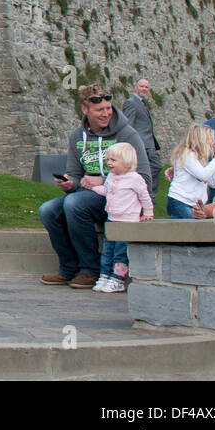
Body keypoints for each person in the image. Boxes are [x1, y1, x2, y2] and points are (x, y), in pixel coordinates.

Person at [38, 84, 149, 288]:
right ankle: (69, 268)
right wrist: (70, 183)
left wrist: (106, 178)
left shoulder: (127, 134)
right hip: (88, 194)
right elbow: (75, 174)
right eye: (100, 110)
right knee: (47, 210)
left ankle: (90, 269)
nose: (105, 114)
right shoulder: (77, 136)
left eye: (108, 108)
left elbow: (143, 176)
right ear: (85, 109)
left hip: (120, 199)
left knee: (73, 204)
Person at [90, 143, 153, 292]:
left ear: (126, 162)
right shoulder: (111, 177)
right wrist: (92, 188)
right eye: (108, 160)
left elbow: (145, 197)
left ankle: (117, 279)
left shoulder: (135, 179)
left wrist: (148, 213)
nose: (109, 163)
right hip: (112, 219)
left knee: (121, 253)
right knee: (107, 250)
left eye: (113, 160)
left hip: (127, 222)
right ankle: (104, 275)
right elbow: (107, 191)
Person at [165, 124, 215, 219]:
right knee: (189, 232)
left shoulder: (201, 159)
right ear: (202, 140)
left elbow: (213, 182)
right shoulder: (186, 154)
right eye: (212, 139)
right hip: (180, 201)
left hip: (194, 204)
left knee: (194, 232)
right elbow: (203, 176)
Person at [120, 78, 162, 197]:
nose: (144, 89)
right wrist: (131, 145)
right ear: (136, 87)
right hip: (141, 144)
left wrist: (155, 145)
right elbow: (128, 125)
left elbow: (147, 126)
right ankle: (146, 194)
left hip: (149, 144)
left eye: (146, 87)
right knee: (153, 167)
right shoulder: (131, 102)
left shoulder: (142, 103)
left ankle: (146, 193)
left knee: (155, 167)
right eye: (142, 86)